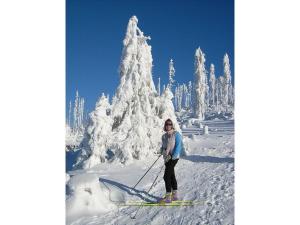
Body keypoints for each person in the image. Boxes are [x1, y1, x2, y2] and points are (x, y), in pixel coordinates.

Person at [159, 118, 183, 203]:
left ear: (172, 125)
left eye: (170, 124)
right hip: (167, 158)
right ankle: (175, 194)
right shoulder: (164, 136)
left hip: (174, 158)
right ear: (165, 126)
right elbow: (163, 147)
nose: (168, 125)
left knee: (166, 176)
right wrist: (161, 151)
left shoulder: (176, 134)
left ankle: (168, 196)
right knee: (171, 174)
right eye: (167, 124)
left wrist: (173, 156)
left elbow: (178, 146)